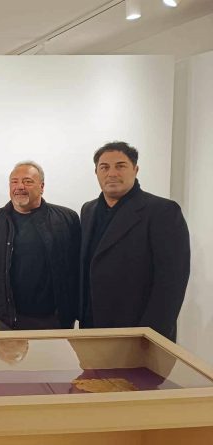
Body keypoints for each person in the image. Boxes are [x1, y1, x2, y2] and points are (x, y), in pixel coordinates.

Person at [80, 141, 190, 342]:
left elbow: (171, 282)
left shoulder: (163, 211)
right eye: (104, 167)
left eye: (120, 166)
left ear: (135, 169)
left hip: (138, 329)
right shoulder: (88, 210)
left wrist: (150, 336)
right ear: (96, 172)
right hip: (92, 326)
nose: (112, 173)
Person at [0, 161, 80, 331]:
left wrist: (71, 308)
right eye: (14, 182)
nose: (20, 186)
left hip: (55, 320)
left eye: (28, 181)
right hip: (5, 320)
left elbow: (78, 268)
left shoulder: (67, 219)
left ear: (42, 187)